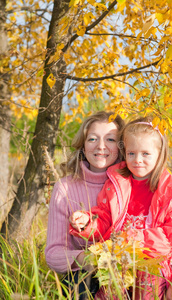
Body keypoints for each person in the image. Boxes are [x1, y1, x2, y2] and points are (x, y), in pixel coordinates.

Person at [69, 117, 172, 299]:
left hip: (154, 264)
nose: (138, 160)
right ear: (124, 153)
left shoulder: (171, 194)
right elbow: (104, 219)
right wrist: (88, 222)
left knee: (146, 284)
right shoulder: (116, 185)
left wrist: (135, 239)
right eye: (131, 153)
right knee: (108, 290)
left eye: (146, 154)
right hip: (119, 260)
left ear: (159, 155)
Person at [45, 111, 125, 299]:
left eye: (111, 140)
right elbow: (53, 253)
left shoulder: (130, 182)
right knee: (78, 285)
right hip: (86, 275)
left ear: (122, 146)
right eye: (93, 139)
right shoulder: (65, 187)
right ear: (83, 144)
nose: (101, 146)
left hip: (129, 269)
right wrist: (89, 259)